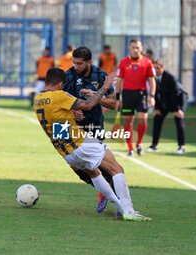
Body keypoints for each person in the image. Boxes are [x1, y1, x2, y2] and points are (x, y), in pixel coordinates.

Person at [34, 67, 151, 222]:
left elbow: (57, 121)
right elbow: (89, 105)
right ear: (60, 84)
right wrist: (105, 85)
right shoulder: (59, 95)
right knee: (116, 169)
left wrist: (73, 115)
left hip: (65, 152)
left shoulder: (38, 100)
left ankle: (120, 207)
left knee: (94, 173)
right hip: (81, 143)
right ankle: (129, 210)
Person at [63, 46, 116, 214]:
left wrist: (97, 96)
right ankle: (103, 189)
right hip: (70, 126)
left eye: (79, 63)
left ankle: (118, 200)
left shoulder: (100, 76)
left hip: (93, 125)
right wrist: (72, 112)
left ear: (89, 62)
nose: (76, 66)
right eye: (74, 62)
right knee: (74, 164)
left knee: (102, 164)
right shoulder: (68, 76)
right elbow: (60, 102)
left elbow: (113, 104)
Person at [115, 39, 156, 156]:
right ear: (129, 48)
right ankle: (130, 148)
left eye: (137, 47)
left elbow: (152, 81)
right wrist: (118, 98)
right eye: (133, 47)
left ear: (141, 48)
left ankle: (139, 143)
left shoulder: (148, 62)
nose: (135, 50)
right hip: (127, 94)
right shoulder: (123, 62)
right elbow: (119, 81)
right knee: (128, 120)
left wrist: (152, 96)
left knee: (143, 119)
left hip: (141, 94)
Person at [147, 59, 187, 154]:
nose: (155, 70)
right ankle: (154, 145)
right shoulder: (154, 78)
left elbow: (175, 94)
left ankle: (181, 147)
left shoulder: (171, 78)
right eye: (154, 68)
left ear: (162, 67)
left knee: (178, 120)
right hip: (164, 102)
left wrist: (177, 109)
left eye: (158, 68)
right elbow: (156, 94)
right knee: (157, 118)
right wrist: (156, 108)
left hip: (178, 101)